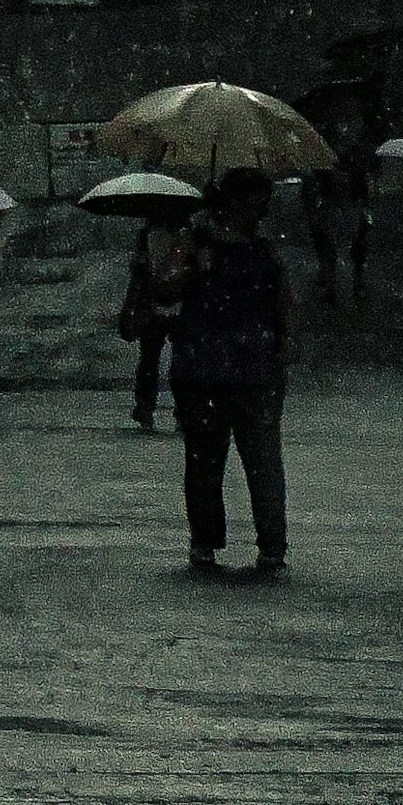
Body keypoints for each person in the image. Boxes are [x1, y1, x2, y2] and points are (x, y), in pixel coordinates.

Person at [165, 168, 294, 576]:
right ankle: (205, 541)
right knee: (206, 462)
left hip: (253, 370)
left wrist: (283, 353)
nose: (264, 209)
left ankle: (272, 544)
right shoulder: (195, 243)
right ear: (235, 202)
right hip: (203, 370)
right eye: (257, 200)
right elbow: (164, 289)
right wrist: (191, 269)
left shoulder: (265, 250)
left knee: (262, 462)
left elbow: (283, 305)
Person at [115, 213, 178, 431]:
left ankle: (145, 407)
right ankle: (179, 410)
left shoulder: (147, 236)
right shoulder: (184, 235)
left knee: (150, 359)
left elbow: (138, 270)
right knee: (177, 360)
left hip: (155, 305)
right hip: (174, 303)